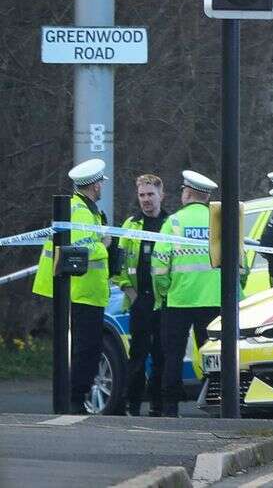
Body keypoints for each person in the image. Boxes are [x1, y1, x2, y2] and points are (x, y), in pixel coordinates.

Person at [31, 158, 111, 414]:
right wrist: (105, 244)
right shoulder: (79, 211)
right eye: (100, 183)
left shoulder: (88, 210)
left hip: (86, 293)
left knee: (87, 349)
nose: (102, 187)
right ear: (95, 186)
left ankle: (75, 400)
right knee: (85, 350)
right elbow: (83, 246)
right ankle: (74, 402)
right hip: (80, 293)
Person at [153, 170, 220, 417]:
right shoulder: (219, 220)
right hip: (214, 300)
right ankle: (216, 403)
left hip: (178, 299)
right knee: (213, 354)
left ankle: (170, 408)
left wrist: (163, 293)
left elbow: (159, 266)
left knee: (173, 355)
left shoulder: (173, 222)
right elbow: (240, 264)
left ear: (188, 193)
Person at [113, 174, 168, 416]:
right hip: (140, 300)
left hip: (165, 301)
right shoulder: (131, 225)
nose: (146, 200)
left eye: (150, 194)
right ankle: (132, 405)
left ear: (161, 195)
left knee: (162, 356)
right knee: (137, 355)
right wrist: (129, 290)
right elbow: (118, 265)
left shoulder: (170, 224)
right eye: (142, 195)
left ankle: (159, 406)